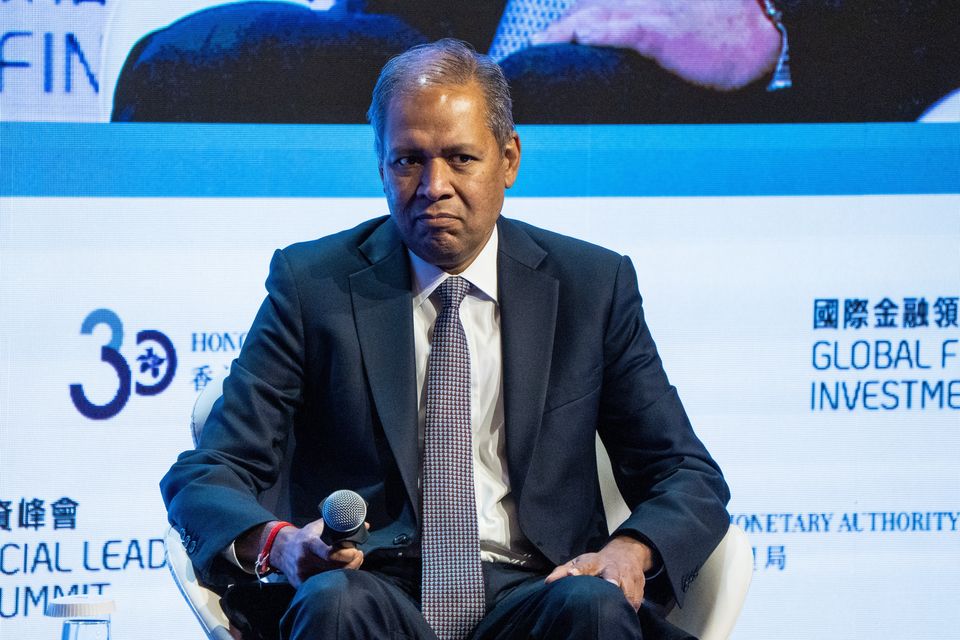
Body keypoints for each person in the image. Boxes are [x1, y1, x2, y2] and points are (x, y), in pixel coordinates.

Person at [160, 38, 729, 640]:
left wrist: (630, 552)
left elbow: (686, 474)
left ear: (508, 160)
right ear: (380, 163)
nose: (433, 186)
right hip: (373, 589)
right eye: (408, 160)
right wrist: (279, 544)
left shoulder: (591, 286)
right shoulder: (313, 286)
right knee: (333, 604)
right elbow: (210, 470)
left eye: (461, 159)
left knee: (590, 608)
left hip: (540, 591)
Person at [114, 1, 960, 124]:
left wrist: (779, 33)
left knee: (541, 100)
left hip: (707, 85)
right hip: (473, 43)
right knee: (193, 64)